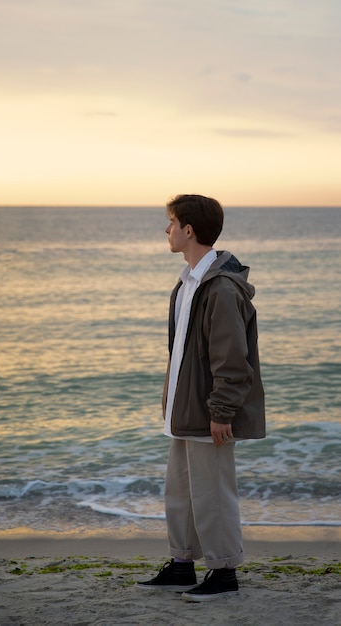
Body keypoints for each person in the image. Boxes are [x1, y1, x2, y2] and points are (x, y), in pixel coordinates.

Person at [136, 194, 266, 601]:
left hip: (209, 412)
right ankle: (181, 564)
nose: (166, 230)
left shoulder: (221, 288)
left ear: (188, 229)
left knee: (212, 493)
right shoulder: (188, 281)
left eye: (171, 222)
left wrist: (222, 411)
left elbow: (231, 359)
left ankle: (224, 573)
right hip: (183, 410)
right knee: (181, 492)